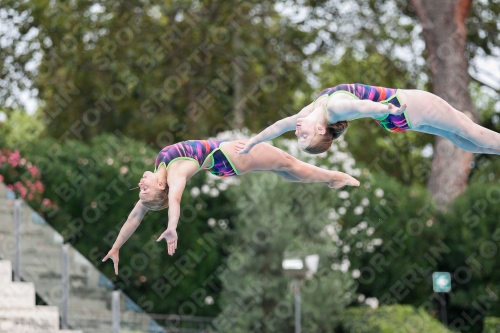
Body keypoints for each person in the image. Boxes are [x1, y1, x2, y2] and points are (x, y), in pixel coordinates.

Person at [102, 139, 359, 273]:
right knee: (287, 162)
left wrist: (115, 247)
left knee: (283, 170)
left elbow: (134, 216)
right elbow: (176, 200)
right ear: (160, 188)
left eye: (141, 188)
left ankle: (329, 179)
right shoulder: (175, 174)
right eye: (144, 188)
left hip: (224, 160)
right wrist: (172, 227)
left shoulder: (160, 172)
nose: (140, 183)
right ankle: (335, 177)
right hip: (229, 155)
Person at [234, 83, 500, 155]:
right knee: (470, 131)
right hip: (403, 107)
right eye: (304, 137)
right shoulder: (334, 109)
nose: (296, 132)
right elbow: (361, 106)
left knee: (459, 139)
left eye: (298, 137)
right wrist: (386, 110)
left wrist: (252, 143)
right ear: (319, 129)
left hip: (400, 120)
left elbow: (278, 127)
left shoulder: (308, 113)